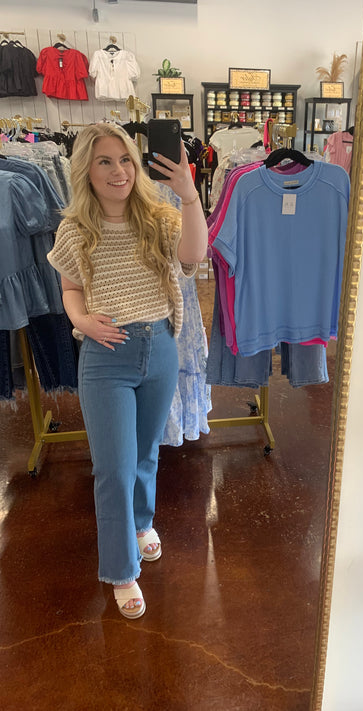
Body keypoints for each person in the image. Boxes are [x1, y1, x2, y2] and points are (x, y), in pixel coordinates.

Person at [47, 122, 207, 618]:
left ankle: (140, 523)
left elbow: (193, 257)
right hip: (105, 356)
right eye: (104, 161)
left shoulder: (160, 216)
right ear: (86, 171)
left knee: (144, 453)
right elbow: (70, 288)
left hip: (160, 348)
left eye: (125, 160)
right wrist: (80, 320)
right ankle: (121, 569)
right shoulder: (75, 229)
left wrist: (189, 196)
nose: (118, 171)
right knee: (113, 469)